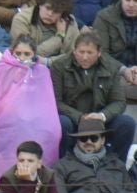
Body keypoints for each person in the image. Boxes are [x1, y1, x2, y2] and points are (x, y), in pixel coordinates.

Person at [50, 30, 135, 160]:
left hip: (99, 119)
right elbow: (56, 101)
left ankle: (116, 167)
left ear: (99, 53)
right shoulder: (59, 66)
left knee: (127, 123)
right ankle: (63, 165)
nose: (84, 57)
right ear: (74, 51)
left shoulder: (110, 67)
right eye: (81, 52)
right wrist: (80, 117)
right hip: (73, 118)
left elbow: (119, 101)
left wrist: (102, 116)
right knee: (62, 123)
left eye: (90, 53)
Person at [57, 114, 137, 193]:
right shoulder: (62, 165)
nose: (88, 142)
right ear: (77, 140)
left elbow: (131, 191)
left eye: (94, 138)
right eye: (83, 138)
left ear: (103, 140)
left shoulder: (117, 163)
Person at [12, 0, 79, 59]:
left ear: (62, 13)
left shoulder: (70, 22)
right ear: (40, 4)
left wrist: (51, 62)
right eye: (47, 8)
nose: (50, 14)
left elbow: (75, 54)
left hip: (62, 68)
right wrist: (59, 36)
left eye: (56, 11)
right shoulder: (22, 19)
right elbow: (28, 53)